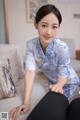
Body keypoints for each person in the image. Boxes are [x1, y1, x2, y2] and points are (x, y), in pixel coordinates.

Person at [9, 4, 80, 120]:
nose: (49, 32)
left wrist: (59, 85)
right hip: (55, 85)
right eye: (44, 25)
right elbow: (30, 72)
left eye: (54, 27)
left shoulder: (62, 47)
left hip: (70, 82)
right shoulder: (31, 45)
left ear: (58, 28)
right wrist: (26, 102)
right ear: (36, 25)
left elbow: (64, 71)